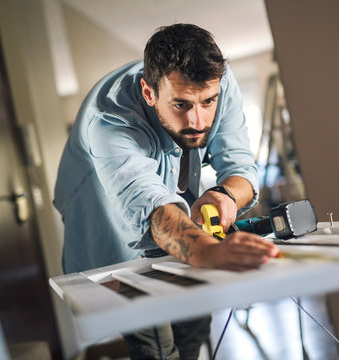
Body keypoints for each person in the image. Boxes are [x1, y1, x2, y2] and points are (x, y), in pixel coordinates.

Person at [54, 23, 278, 359]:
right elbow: (150, 207)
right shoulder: (109, 118)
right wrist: (206, 252)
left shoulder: (219, 83)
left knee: (195, 326)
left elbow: (241, 168)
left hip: (180, 222)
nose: (198, 121)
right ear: (149, 93)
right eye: (182, 105)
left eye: (207, 102)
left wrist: (225, 195)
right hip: (107, 228)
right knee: (156, 349)